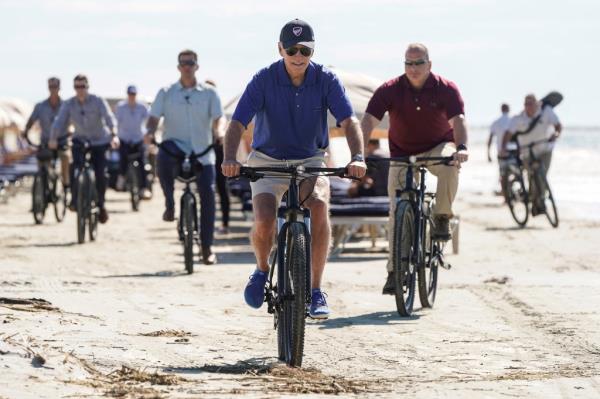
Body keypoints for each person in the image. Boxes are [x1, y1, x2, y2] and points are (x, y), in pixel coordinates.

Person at [221, 19, 367, 319]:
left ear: (312, 50)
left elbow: (349, 121)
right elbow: (236, 123)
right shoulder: (263, 79)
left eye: (305, 50)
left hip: (309, 159)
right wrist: (229, 159)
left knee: (318, 206)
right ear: (280, 49)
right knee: (263, 219)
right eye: (292, 49)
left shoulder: (327, 79)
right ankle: (262, 270)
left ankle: (315, 290)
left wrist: (358, 156)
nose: (298, 56)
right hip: (267, 160)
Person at [360, 43, 468, 295]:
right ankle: (394, 272)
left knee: (451, 163)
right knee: (395, 212)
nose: (414, 68)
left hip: (436, 148)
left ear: (429, 64)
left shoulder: (446, 88)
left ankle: (442, 217)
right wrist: (358, 154)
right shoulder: (390, 89)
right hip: (401, 153)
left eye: (419, 63)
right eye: (408, 63)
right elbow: (368, 120)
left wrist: (461, 147)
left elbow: (459, 120)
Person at [144, 49, 224, 265]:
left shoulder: (209, 93)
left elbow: (219, 118)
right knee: (163, 155)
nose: (187, 66)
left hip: (202, 151)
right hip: (176, 149)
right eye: (183, 63)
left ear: (197, 66)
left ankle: (206, 247)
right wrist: (150, 132)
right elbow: (153, 118)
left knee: (208, 196)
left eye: (191, 62)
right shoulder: (166, 92)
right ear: (178, 67)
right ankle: (170, 204)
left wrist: (219, 132)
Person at [49, 74, 119, 223]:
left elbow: (109, 117)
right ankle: (75, 200)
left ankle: (101, 204)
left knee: (101, 173)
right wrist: (53, 138)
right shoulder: (69, 103)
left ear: (87, 86)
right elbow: (59, 121)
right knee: (74, 168)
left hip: (99, 141)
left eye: (82, 86)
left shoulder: (98, 101)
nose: (80, 90)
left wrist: (114, 135)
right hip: (80, 141)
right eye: (77, 87)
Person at [501, 94, 562, 215]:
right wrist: (503, 148)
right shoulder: (518, 119)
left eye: (531, 103)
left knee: (542, 175)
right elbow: (508, 134)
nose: (528, 106)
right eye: (526, 104)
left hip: (545, 149)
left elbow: (558, 126)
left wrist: (556, 135)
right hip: (527, 152)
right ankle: (534, 201)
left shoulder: (546, 112)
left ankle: (540, 202)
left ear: (537, 104)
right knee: (532, 176)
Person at [22, 77, 70, 190]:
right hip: (45, 142)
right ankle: (41, 195)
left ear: (59, 88)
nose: (53, 89)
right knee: (42, 165)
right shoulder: (40, 106)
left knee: (66, 157)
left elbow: (71, 122)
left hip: (61, 141)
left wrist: (70, 132)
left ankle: (66, 184)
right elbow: (31, 120)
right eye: (50, 87)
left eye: (55, 87)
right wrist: (25, 131)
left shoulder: (66, 105)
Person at [114, 85, 151, 199]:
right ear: (127, 94)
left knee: (142, 163)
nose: (132, 96)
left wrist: (148, 134)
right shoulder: (121, 107)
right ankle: (121, 178)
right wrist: (115, 135)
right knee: (123, 159)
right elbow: (115, 122)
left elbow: (150, 120)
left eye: (134, 94)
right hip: (124, 138)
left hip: (138, 138)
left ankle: (144, 188)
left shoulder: (142, 107)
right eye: (130, 94)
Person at [204, 79, 231, 235]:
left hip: (218, 150)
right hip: (202, 150)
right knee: (205, 189)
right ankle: (205, 222)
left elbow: (222, 126)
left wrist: (219, 134)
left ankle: (225, 223)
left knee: (222, 188)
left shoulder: (219, 110)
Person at [487, 103, 513, 196]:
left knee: (503, 174)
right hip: (513, 151)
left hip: (500, 152)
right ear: (509, 109)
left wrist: (488, 154)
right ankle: (509, 193)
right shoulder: (512, 121)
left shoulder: (496, 122)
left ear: (501, 110)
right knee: (513, 173)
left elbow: (490, 139)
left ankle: (506, 197)